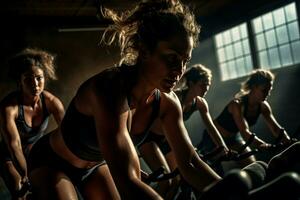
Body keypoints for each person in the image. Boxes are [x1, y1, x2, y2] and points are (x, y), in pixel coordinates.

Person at [27, 0, 223, 199]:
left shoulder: (168, 103)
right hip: (52, 162)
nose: (179, 71)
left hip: (95, 167)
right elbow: (129, 183)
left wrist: (233, 191)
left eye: (185, 61)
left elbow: (189, 163)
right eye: (172, 57)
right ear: (145, 51)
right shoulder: (110, 89)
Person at [137, 64, 230, 198]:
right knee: (166, 181)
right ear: (191, 83)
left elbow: (210, 126)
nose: (206, 88)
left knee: (178, 181)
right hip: (149, 139)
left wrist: (223, 146)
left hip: (167, 140)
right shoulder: (175, 97)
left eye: (208, 85)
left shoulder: (200, 103)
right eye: (203, 84)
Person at [0, 48, 65, 199]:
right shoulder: (9, 107)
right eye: (28, 79)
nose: (35, 84)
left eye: (39, 78)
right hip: (9, 156)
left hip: (34, 154)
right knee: (19, 190)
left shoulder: (52, 102)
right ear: (20, 81)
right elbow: (14, 145)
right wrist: (25, 174)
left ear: (44, 78)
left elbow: (68, 134)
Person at [212, 69, 292, 168]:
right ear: (254, 87)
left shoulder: (263, 106)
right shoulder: (237, 104)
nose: (267, 94)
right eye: (264, 90)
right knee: (212, 169)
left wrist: (288, 141)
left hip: (234, 139)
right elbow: (245, 133)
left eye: (269, 91)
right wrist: (263, 145)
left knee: (252, 165)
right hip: (213, 137)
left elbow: (275, 128)